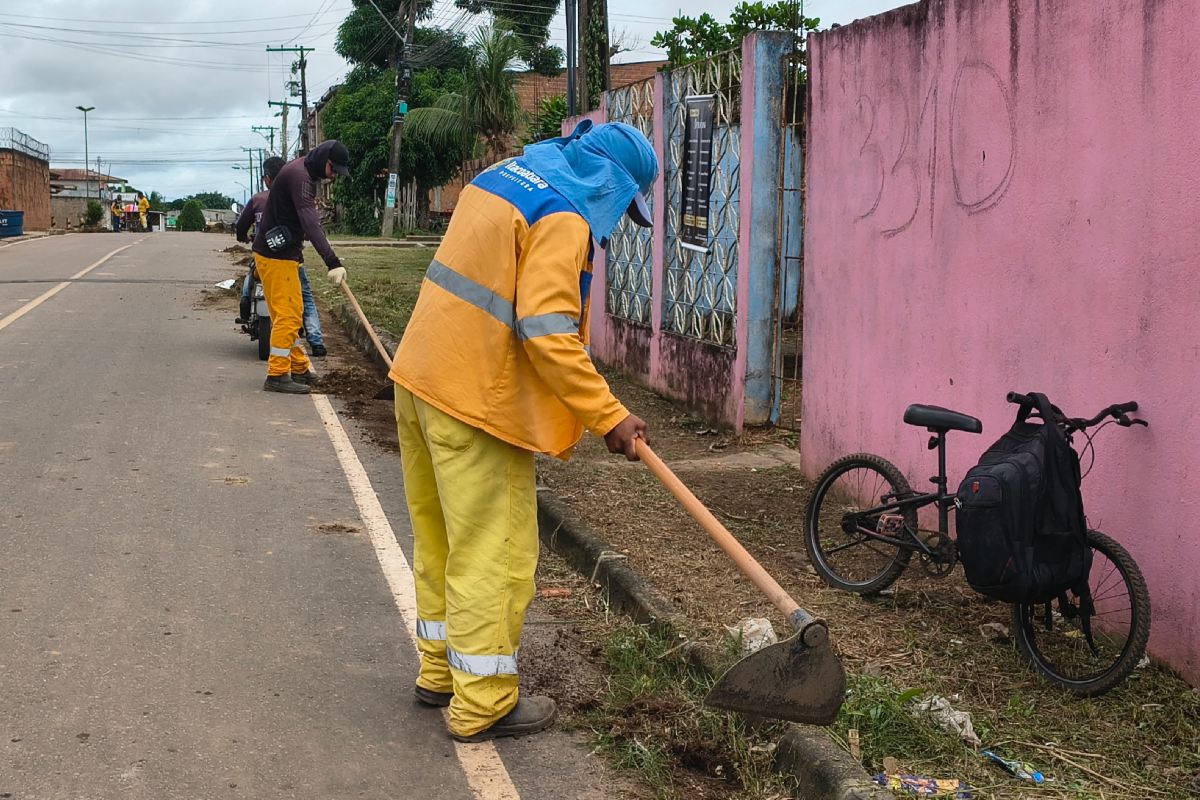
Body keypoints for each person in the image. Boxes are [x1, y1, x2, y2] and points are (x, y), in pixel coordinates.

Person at [388, 120, 656, 743]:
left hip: (421, 379)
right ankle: (483, 701)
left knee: (439, 542)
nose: (618, 222)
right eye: (626, 205)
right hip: (475, 405)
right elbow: (547, 330)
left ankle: (439, 673)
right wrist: (608, 415)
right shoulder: (563, 216)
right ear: (611, 184)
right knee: (494, 555)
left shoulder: (499, 179)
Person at [250, 141, 348, 394]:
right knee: (289, 316)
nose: (334, 175)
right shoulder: (301, 178)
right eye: (333, 169)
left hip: (282, 255)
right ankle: (277, 374)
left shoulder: (302, 172)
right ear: (324, 159)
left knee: (292, 312)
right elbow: (311, 224)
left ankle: (299, 367)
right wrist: (332, 262)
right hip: (276, 257)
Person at [235, 157, 327, 357]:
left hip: (266, 258)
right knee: (304, 301)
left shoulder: (258, 199)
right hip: (290, 259)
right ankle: (316, 340)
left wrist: (242, 236)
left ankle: (244, 304)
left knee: (251, 283)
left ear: (267, 178)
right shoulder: (296, 196)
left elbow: (241, 225)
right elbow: (310, 226)